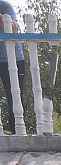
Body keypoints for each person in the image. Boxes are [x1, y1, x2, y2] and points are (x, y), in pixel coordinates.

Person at [0, 1, 27, 136]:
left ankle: (16, 132)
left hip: (13, 59)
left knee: (15, 98)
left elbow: (14, 27)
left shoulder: (4, 5)